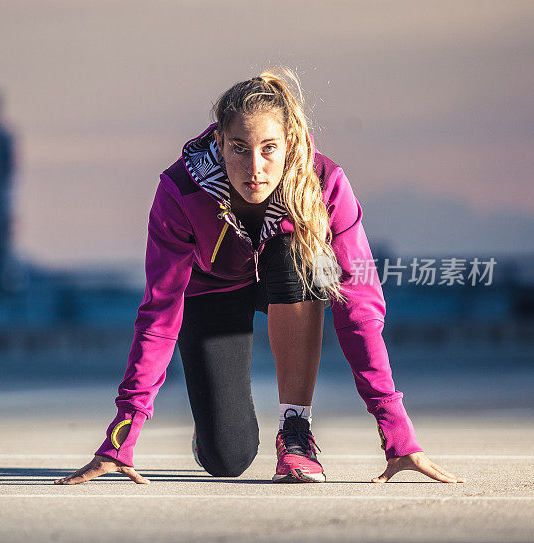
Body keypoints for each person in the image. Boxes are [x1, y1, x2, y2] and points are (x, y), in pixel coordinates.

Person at [54, 69, 463, 485]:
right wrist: (121, 438)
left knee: (298, 250)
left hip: (289, 278)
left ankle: (296, 433)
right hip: (213, 287)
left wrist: (398, 434)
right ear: (219, 144)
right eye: (239, 148)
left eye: (269, 149)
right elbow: (160, 314)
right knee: (227, 458)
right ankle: (210, 433)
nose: (255, 167)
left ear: (291, 144)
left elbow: (359, 304)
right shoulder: (179, 192)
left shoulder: (324, 184)